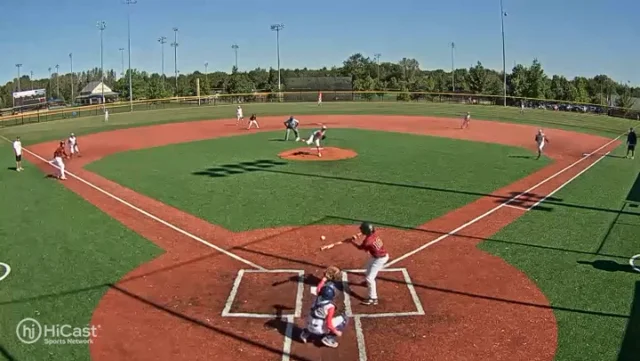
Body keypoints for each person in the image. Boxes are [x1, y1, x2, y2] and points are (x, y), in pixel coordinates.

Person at [299, 280, 348, 348]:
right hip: (319, 330)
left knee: (313, 315)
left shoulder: (318, 297)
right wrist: (336, 332)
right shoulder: (330, 307)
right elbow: (329, 325)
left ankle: (306, 332)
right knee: (344, 319)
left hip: (307, 323)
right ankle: (328, 338)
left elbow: (319, 288)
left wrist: (324, 279)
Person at [350, 222, 390, 305]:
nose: (361, 230)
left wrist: (351, 242)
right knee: (367, 267)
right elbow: (367, 234)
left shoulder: (368, 241)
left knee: (370, 278)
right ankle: (367, 284)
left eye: (362, 229)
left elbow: (360, 248)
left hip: (380, 259)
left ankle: (373, 298)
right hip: (378, 256)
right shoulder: (373, 234)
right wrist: (358, 235)